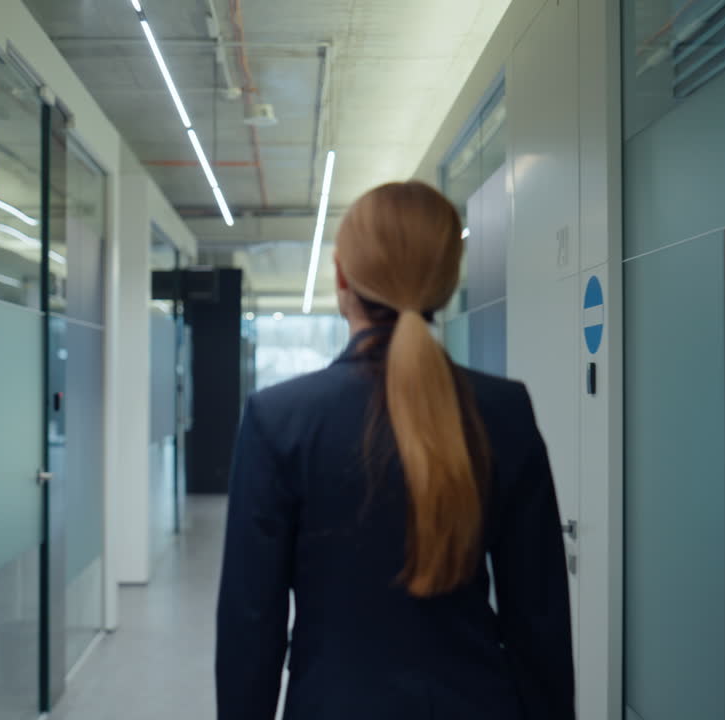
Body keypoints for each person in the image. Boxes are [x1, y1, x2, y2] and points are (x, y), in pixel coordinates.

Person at [216, 180, 574, 720]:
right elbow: (538, 619)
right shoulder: (504, 411)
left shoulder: (278, 419)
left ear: (341, 276)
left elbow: (252, 623)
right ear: (448, 282)